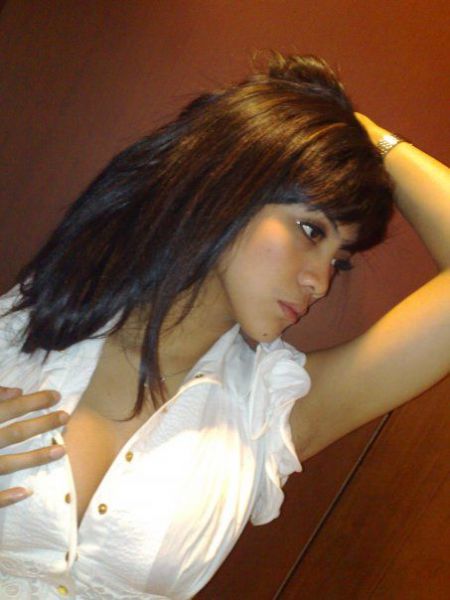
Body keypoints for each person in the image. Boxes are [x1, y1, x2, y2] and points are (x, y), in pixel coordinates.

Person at [0, 53, 448, 599]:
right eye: (310, 230)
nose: (320, 282)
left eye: (340, 260)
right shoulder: (16, 335)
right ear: (234, 183)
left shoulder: (268, 415)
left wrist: (361, 133)